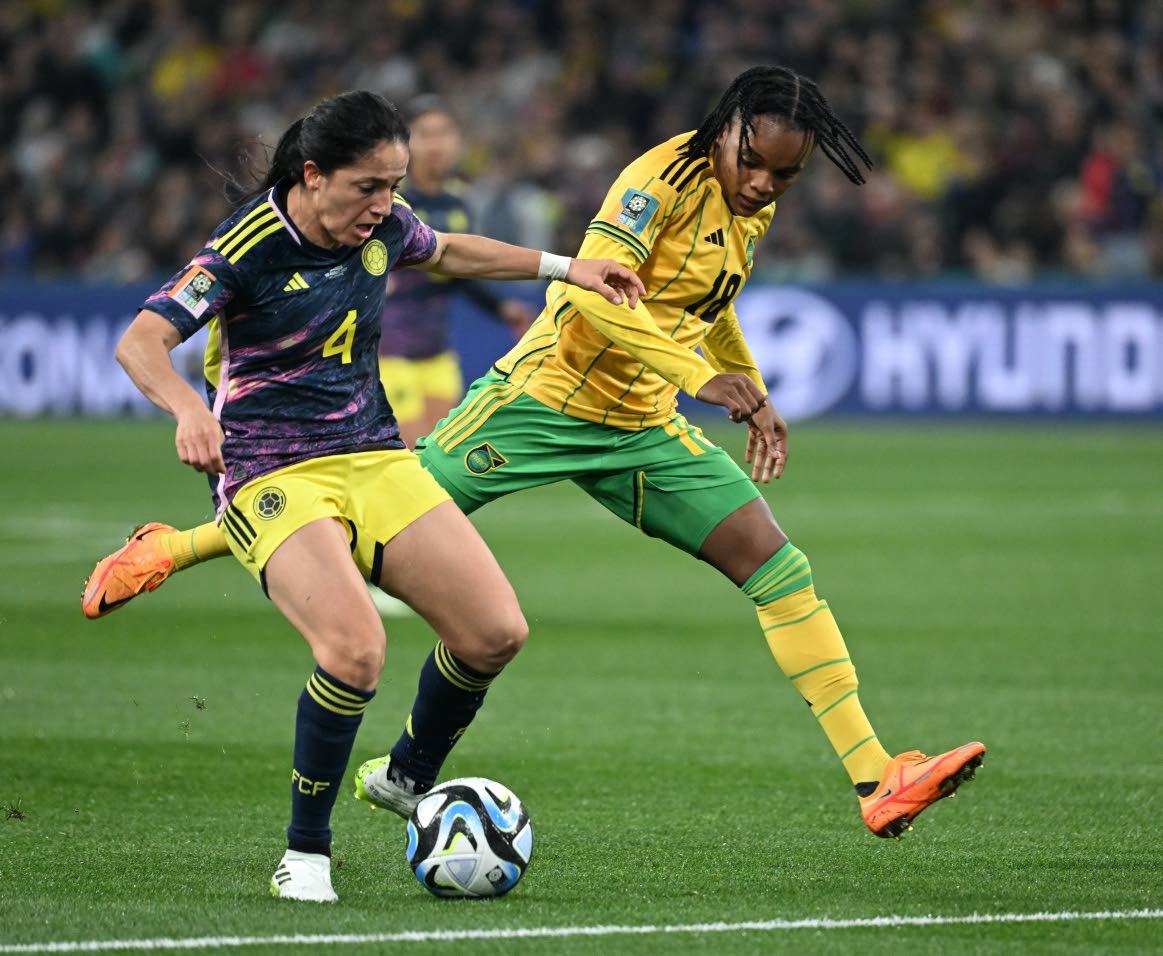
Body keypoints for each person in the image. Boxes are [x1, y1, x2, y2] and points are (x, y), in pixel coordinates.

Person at [84, 67, 984, 845]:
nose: (762, 184)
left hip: (640, 425)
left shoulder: (749, 206)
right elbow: (592, 296)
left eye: (784, 175)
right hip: (537, 406)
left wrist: (741, 380)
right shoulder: (654, 183)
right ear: (727, 130)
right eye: (753, 162)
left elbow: (707, 307)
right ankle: (178, 545)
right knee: (361, 528)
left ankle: (875, 778)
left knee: (779, 569)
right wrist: (699, 379)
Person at [98, 89, 645, 903]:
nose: (385, 206)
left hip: (373, 456)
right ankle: (305, 854)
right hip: (268, 471)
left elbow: (448, 250)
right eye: (368, 187)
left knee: (494, 633)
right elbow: (142, 339)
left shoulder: (383, 225)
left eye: (393, 186)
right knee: (355, 651)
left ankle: (405, 776)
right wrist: (186, 410)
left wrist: (570, 269)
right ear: (312, 175)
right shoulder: (245, 247)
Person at [379, 95, 535, 448]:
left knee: (437, 454)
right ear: (405, 143)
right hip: (390, 351)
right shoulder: (389, 201)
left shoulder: (458, 205)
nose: (436, 144)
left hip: (436, 351)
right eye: (425, 134)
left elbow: (458, 271)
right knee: (410, 455)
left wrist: (502, 308)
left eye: (444, 133)